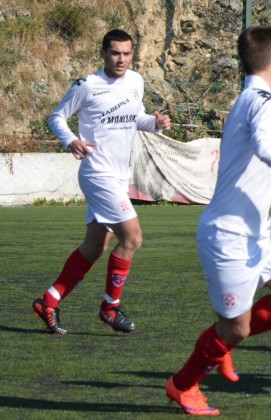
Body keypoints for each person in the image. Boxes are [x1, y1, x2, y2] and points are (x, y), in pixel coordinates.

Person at [165, 25, 271, 416]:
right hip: (229, 235)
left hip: (261, 231)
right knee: (234, 329)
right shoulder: (266, 101)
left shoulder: (244, 100)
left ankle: (222, 341)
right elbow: (267, 149)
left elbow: (241, 162)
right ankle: (182, 385)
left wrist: (270, 192)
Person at [31, 29, 171, 335]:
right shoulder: (87, 86)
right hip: (97, 174)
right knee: (132, 238)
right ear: (104, 54)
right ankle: (110, 307)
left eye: (127, 53)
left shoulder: (135, 81)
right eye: (115, 53)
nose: (121, 59)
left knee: (95, 246)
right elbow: (56, 117)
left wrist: (155, 123)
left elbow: (135, 118)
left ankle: (48, 301)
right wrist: (71, 140)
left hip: (119, 176)